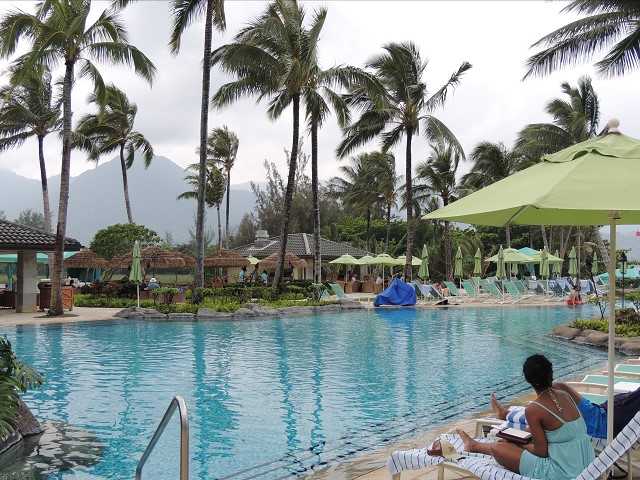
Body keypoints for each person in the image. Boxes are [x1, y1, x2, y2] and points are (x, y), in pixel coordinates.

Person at [457, 354, 594, 479]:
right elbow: (557, 430)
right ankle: (474, 445)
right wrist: (517, 439)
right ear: (551, 374)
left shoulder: (534, 409)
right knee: (519, 437)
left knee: (497, 448)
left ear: (528, 380)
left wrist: (517, 444)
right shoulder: (565, 395)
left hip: (563, 472)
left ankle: (474, 445)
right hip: (587, 465)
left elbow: (541, 452)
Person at [490, 380, 640, 440]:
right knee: (557, 391)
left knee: (557, 390)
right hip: (601, 412)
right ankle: (507, 414)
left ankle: (508, 417)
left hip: (599, 423)